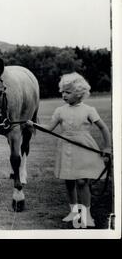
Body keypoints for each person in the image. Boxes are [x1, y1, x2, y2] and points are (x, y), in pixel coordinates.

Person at [27, 72, 111, 228]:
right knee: (70, 180)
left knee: (82, 181)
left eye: (68, 92)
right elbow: (49, 128)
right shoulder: (60, 111)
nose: (64, 95)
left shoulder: (89, 110)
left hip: (84, 148)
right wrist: (33, 124)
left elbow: (104, 128)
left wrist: (107, 147)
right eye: (63, 92)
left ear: (79, 94)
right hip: (66, 148)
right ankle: (73, 212)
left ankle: (86, 215)